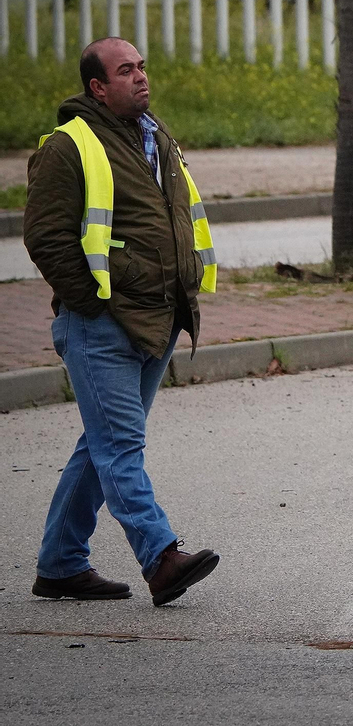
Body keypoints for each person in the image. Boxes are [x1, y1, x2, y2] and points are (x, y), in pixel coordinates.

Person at [23, 38, 222, 607]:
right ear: (97, 87)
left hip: (158, 318)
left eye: (142, 67)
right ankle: (161, 557)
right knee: (120, 446)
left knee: (101, 446)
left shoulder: (156, 136)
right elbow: (45, 235)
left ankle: (60, 565)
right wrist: (90, 302)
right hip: (103, 324)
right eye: (125, 70)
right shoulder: (69, 146)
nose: (140, 77)